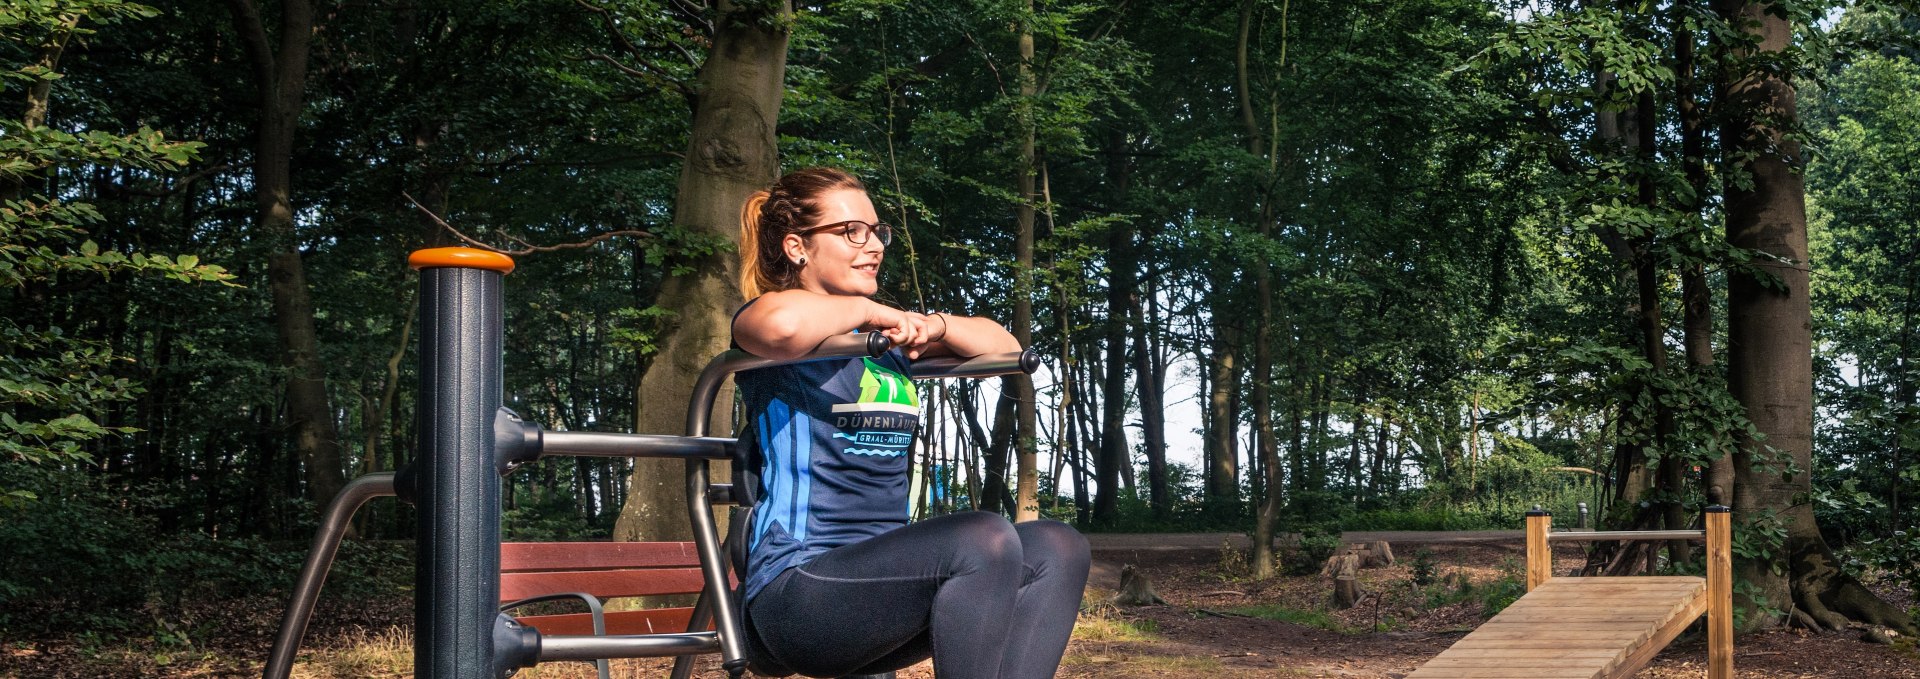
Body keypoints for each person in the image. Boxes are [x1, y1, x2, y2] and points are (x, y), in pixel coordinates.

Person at [729, 167, 1090, 679]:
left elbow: (1008, 349)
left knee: (1057, 547)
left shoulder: (883, 342)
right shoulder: (768, 321)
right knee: (982, 537)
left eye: (878, 230)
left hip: (885, 582)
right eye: (851, 230)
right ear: (796, 247)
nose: (873, 243)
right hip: (796, 593)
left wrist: (935, 324)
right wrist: (869, 311)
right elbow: (783, 327)